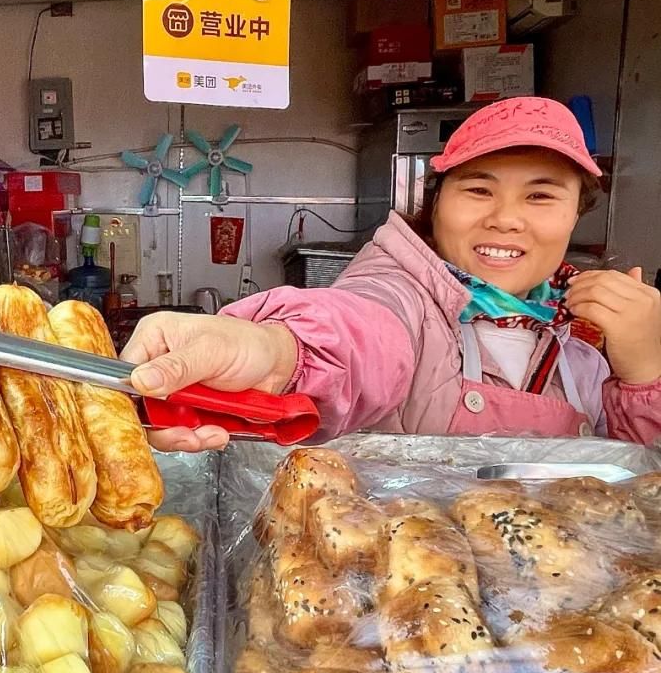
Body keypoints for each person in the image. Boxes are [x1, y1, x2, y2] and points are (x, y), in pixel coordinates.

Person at [121, 97, 661, 452]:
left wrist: (644, 375)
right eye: (478, 189)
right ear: (436, 202)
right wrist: (274, 351)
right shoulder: (404, 292)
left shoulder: (585, 344)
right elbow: (362, 331)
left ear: (575, 215)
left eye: (541, 195)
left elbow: (636, 493)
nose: (506, 218)